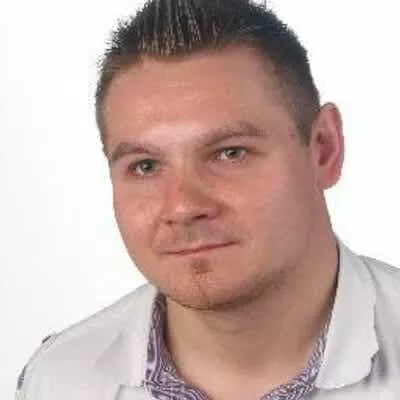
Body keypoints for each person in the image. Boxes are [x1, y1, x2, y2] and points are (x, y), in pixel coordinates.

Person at [16, 0, 400, 399]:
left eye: (230, 153)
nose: (182, 207)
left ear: (323, 149)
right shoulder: (61, 380)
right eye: (146, 166)